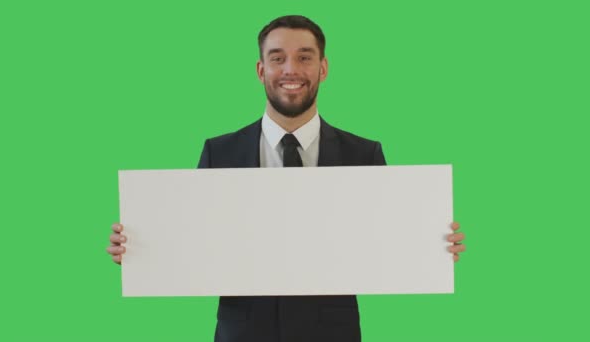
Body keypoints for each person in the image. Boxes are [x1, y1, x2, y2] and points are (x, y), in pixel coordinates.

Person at [107, 15, 466, 342]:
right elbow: (196, 241)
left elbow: (387, 241)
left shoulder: (364, 155)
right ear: (260, 70)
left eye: (305, 57)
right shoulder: (220, 153)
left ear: (323, 68)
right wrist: (143, 250)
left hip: (332, 333)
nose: (291, 69)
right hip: (242, 333)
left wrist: (432, 244)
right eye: (278, 58)